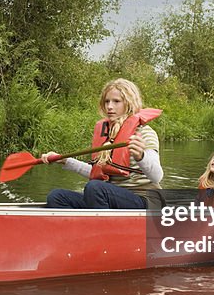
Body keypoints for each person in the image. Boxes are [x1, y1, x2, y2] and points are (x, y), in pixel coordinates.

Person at [40, 78, 163, 209]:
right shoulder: (107, 133)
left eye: (116, 101)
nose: (109, 106)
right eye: (107, 101)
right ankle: (85, 227)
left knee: (95, 188)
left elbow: (157, 176)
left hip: (145, 200)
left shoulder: (145, 133)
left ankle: (102, 227)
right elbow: (97, 172)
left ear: (129, 103)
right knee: (57, 197)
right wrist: (65, 161)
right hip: (111, 197)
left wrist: (141, 156)